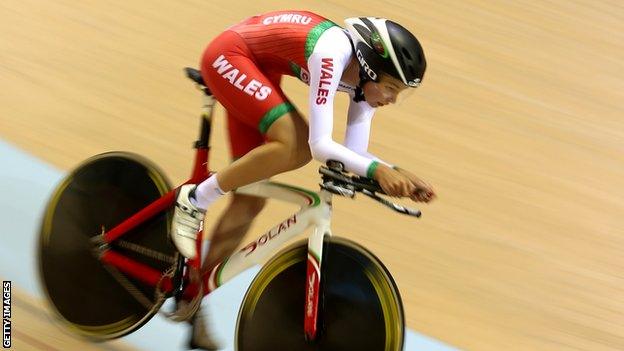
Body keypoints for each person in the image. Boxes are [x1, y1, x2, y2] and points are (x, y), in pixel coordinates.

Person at [172, 10, 436, 349]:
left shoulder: (363, 87)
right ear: (370, 68)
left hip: (259, 71)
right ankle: (195, 199)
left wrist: (397, 172)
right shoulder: (332, 52)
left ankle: (192, 296)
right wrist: (379, 172)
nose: (392, 100)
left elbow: (355, 153)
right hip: (230, 56)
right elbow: (321, 146)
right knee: (295, 144)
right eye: (390, 88)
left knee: (250, 200)